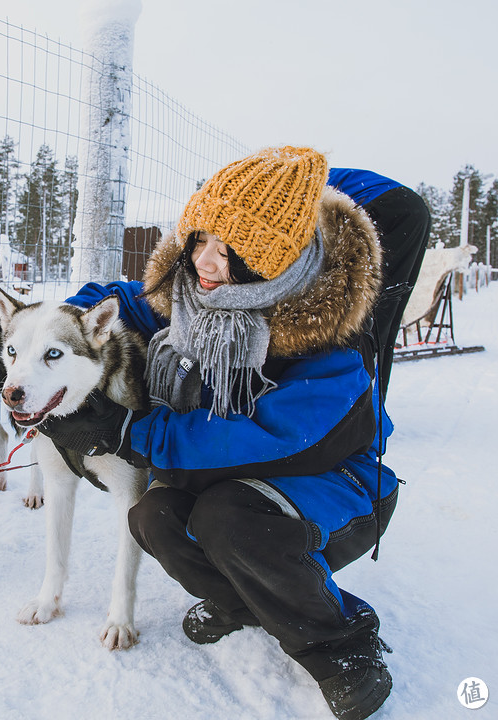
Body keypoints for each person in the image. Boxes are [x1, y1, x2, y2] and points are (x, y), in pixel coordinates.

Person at [40, 147, 401, 719]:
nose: (206, 263)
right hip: (241, 482)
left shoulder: (326, 340)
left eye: (234, 252)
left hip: (339, 488)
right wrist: (47, 327)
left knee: (227, 520)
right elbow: (124, 299)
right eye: (201, 239)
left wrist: (134, 431)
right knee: (153, 517)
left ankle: (341, 643)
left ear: (278, 261)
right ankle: (240, 602)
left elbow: (267, 436)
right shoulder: (187, 294)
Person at [326, 168, 430, 399]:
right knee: (385, 320)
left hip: (385, 208)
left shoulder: (280, 188)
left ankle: (362, 408)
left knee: (362, 322)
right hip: (410, 209)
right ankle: (373, 405)